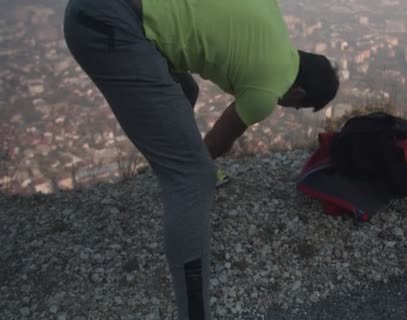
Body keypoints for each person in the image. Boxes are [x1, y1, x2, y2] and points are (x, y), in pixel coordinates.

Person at [62, 0, 340, 319]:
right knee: (193, 180)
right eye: (295, 106)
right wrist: (195, 168)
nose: (286, 107)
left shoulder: (274, 18)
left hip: (109, 11)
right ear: (299, 94)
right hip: (108, 23)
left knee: (186, 92)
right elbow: (218, 142)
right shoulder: (267, 91)